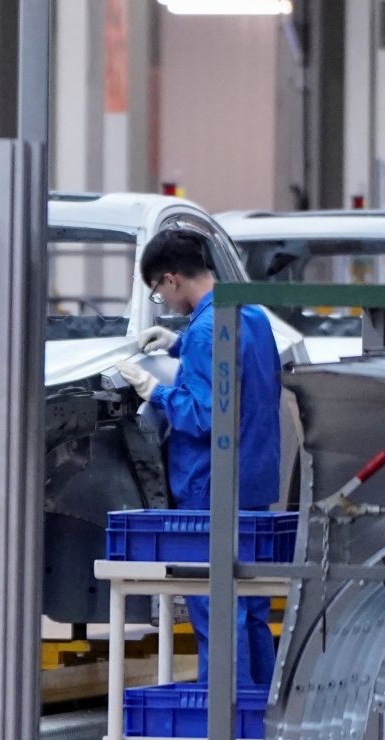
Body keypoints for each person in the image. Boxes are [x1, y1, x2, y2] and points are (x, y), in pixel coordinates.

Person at [118, 229, 282, 688]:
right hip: (253, 480)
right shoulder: (250, 314)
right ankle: (259, 718)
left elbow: (208, 415)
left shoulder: (207, 331)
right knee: (249, 604)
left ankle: (223, 723)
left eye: (158, 291)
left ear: (171, 279)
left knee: (217, 606)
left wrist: (156, 391)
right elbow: (244, 375)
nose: (163, 301)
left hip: (212, 485)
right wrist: (179, 345)